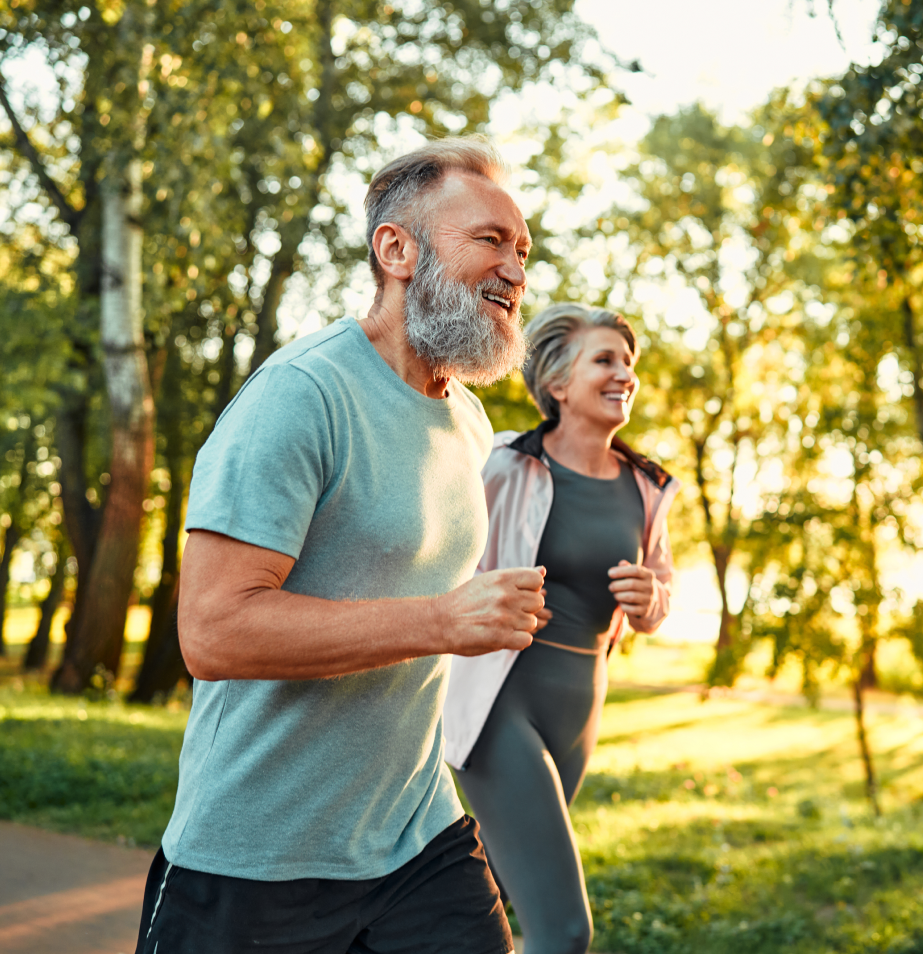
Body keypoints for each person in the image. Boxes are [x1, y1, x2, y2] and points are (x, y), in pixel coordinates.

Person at [133, 136, 546, 954]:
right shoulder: (301, 397)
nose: (515, 270)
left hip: (415, 835)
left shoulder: (465, 418)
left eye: (524, 250)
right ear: (396, 250)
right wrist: (439, 622)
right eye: (490, 241)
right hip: (257, 857)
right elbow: (213, 631)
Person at [443, 303, 680, 954]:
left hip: (578, 706)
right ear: (556, 384)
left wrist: (650, 598)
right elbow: (441, 565)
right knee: (563, 930)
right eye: (604, 360)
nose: (623, 374)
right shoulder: (499, 464)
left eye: (628, 363)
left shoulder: (647, 486)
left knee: (480, 901)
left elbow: (661, 589)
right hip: (500, 701)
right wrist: (491, 595)